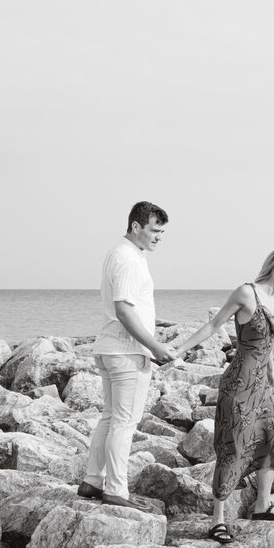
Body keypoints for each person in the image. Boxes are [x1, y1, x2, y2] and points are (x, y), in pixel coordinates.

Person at [172, 245, 274, 543]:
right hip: (239, 384)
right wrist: (178, 350)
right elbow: (213, 324)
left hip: (263, 386)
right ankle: (217, 520)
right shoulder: (247, 293)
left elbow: (269, 342)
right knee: (234, 445)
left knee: (271, 440)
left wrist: (272, 372)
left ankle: (262, 504)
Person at [78, 201, 175, 508]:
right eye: (154, 230)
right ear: (136, 226)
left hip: (111, 349)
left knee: (109, 418)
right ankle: (116, 490)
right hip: (126, 352)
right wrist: (155, 346)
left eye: (162, 231)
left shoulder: (124, 253)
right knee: (124, 422)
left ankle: (93, 481)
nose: (159, 237)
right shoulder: (127, 258)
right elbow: (123, 309)